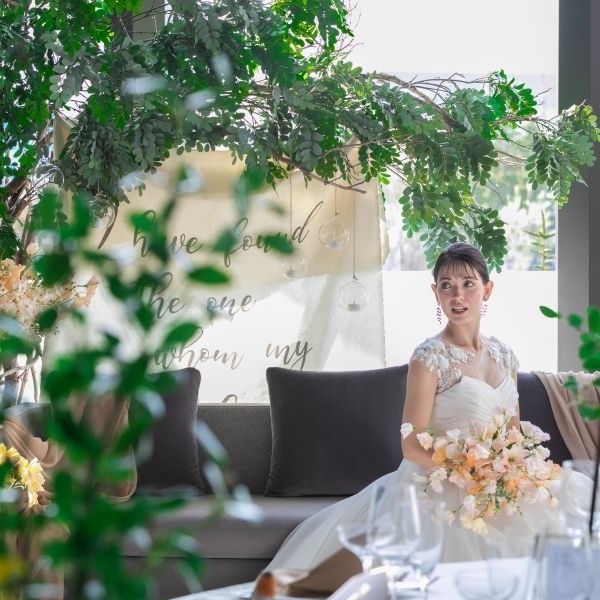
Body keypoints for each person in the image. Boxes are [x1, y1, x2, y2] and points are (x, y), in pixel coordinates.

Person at [267, 242, 561, 571]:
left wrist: (508, 475)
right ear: (435, 293)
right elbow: (411, 444)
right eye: (447, 286)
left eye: (468, 284)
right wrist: (468, 474)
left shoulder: (505, 357)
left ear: (487, 289)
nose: (457, 296)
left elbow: (513, 435)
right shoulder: (429, 358)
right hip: (439, 483)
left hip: (496, 485)